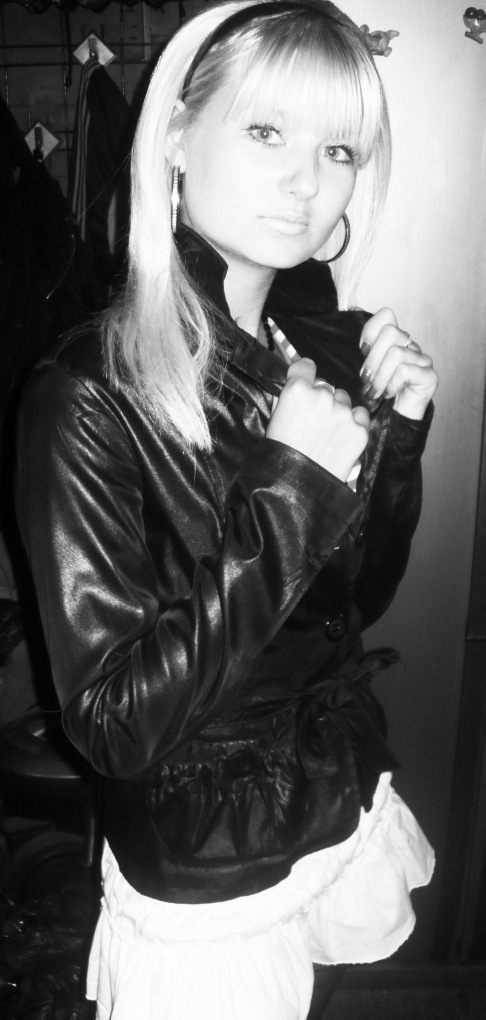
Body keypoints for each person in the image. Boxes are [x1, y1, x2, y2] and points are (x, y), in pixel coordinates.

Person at [15, 2, 439, 1018]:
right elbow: (114, 725)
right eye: (264, 130)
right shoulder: (89, 393)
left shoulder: (324, 346)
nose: (307, 180)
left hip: (334, 796)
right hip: (204, 869)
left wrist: (396, 442)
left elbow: (356, 604)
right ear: (174, 137)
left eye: (338, 149)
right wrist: (293, 492)